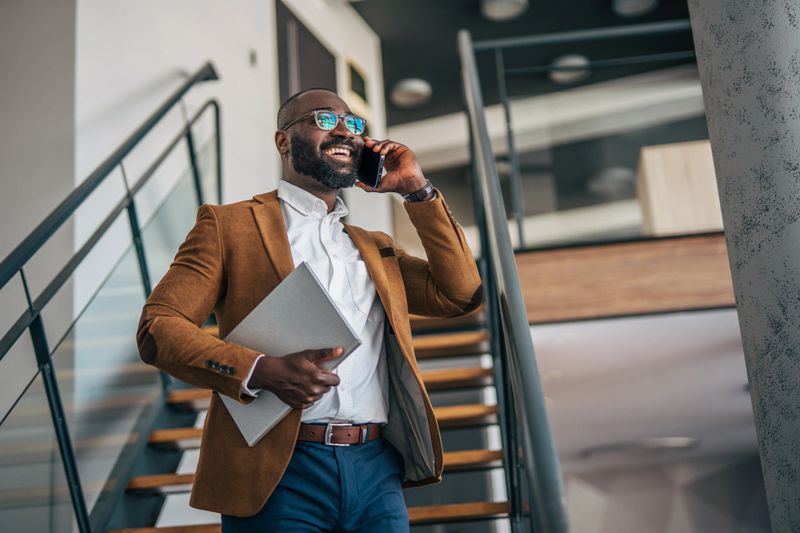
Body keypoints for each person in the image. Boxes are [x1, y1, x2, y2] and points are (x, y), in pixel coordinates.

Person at [136, 88, 482, 532]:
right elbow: (158, 327)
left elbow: (460, 294)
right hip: (278, 467)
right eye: (324, 119)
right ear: (284, 141)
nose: (344, 130)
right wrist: (260, 370)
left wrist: (416, 189)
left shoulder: (375, 248)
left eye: (354, 124)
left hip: (377, 467)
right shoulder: (229, 225)